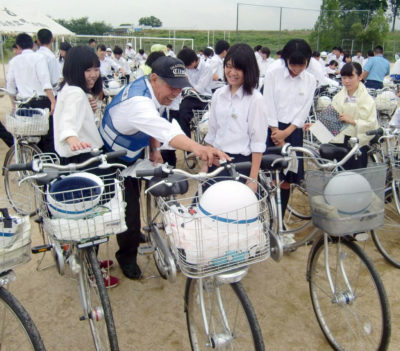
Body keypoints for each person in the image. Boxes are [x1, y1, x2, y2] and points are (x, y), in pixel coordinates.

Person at [99, 56, 229, 279]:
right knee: (127, 207)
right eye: (172, 86)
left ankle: (134, 233)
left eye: (180, 88)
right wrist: (199, 149)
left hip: (134, 149)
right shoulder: (138, 102)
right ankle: (127, 257)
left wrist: (155, 149)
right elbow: (164, 129)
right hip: (114, 155)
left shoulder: (153, 91)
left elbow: (154, 126)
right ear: (155, 78)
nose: (176, 92)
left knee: (139, 199)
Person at [53, 45, 120, 288]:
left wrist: (89, 108)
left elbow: (71, 116)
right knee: (94, 215)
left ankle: (88, 258)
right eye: (87, 70)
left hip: (78, 158)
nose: (93, 74)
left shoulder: (71, 90)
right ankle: (92, 268)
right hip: (84, 158)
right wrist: (71, 137)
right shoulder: (75, 94)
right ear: (74, 69)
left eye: (95, 69)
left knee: (87, 214)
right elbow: (67, 124)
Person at [263, 38, 316, 218]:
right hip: (271, 129)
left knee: (287, 179)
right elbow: (268, 102)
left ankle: (279, 219)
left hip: (293, 132)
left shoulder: (310, 80)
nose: (297, 69)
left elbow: (304, 110)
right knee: (269, 176)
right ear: (286, 60)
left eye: (301, 65)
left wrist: (287, 133)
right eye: (293, 65)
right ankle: (266, 218)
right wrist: (276, 132)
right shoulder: (274, 74)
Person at [204, 43, 268, 192]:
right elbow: (212, 133)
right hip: (217, 161)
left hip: (241, 165)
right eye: (228, 66)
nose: (232, 72)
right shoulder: (218, 95)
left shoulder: (255, 99)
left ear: (248, 70)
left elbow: (257, 143)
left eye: (238, 68)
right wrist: (204, 167)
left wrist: (252, 179)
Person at [6, 33, 56, 153]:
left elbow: (11, 86)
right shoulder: (39, 58)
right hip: (41, 102)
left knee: (30, 137)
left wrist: (13, 103)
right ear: (33, 44)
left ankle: (35, 163)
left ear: (18, 46)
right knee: (48, 136)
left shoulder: (14, 61)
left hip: (24, 104)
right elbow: (45, 81)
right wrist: (53, 101)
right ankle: (48, 164)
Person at [323, 62, 378, 169]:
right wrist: (316, 126)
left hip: (357, 144)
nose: (346, 81)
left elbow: (372, 125)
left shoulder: (367, 100)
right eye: (344, 77)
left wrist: (353, 121)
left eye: (350, 77)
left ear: (360, 77)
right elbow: (332, 117)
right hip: (339, 142)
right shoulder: (340, 96)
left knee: (354, 178)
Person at [176, 48, 213, 141]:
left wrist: (188, 82)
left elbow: (199, 89)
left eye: (187, 66)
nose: (187, 68)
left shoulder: (207, 67)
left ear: (193, 61)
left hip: (205, 98)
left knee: (208, 122)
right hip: (191, 97)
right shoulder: (187, 68)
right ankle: (187, 145)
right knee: (182, 115)